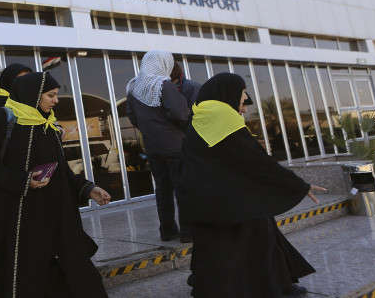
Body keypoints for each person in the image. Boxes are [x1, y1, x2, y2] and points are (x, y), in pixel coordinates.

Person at [178, 73, 325, 297]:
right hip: (229, 205)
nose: (245, 106)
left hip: (205, 203)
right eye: (242, 95)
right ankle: (274, 288)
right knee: (260, 239)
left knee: (219, 250)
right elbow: (256, 161)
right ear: (227, 93)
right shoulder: (222, 116)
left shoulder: (201, 114)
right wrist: (298, 185)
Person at [0, 72, 111, 298]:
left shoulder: (48, 125)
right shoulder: (1, 120)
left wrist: (87, 188)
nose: (55, 100)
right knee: (25, 273)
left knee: (76, 269)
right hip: (19, 216)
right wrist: (23, 181)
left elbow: (60, 170)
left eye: (56, 95)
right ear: (33, 95)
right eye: (51, 95)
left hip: (57, 215)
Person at [126, 51, 191, 242]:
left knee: (162, 190)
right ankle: (188, 232)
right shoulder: (163, 84)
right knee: (183, 189)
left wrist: (151, 129)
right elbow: (180, 114)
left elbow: (132, 116)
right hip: (175, 146)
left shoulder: (133, 87)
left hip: (153, 147)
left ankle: (168, 231)